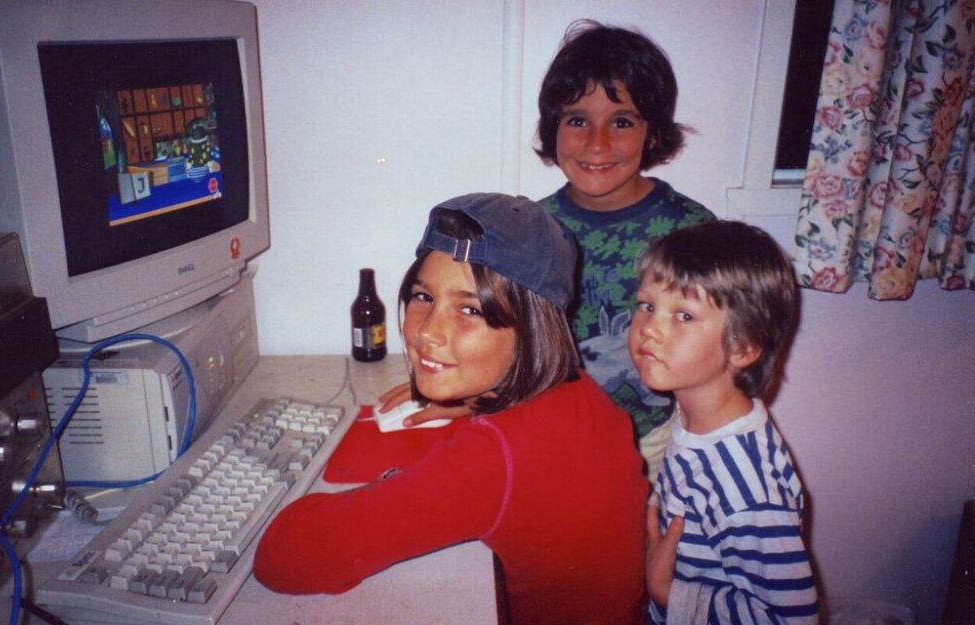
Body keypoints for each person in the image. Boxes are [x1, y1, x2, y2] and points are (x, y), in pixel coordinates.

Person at [254, 193, 649, 625]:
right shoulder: (578, 390)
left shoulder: (491, 460)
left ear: (535, 327)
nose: (428, 334)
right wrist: (478, 402)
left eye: (469, 309)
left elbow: (282, 560)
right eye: (423, 297)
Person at [381, 20, 715, 480]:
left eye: (621, 122)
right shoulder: (525, 229)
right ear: (551, 128)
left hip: (648, 448)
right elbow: (503, 338)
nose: (597, 143)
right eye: (577, 120)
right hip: (542, 431)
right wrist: (469, 390)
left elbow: (722, 355)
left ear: (652, 133)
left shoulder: (694, 232)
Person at [631, 221, 819, 624]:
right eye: (647, 305)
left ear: (744, 347)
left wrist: (666, 592)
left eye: (683, 314)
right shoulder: (696, 416)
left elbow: (793, 618)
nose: (650, 328)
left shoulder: (747, 488)